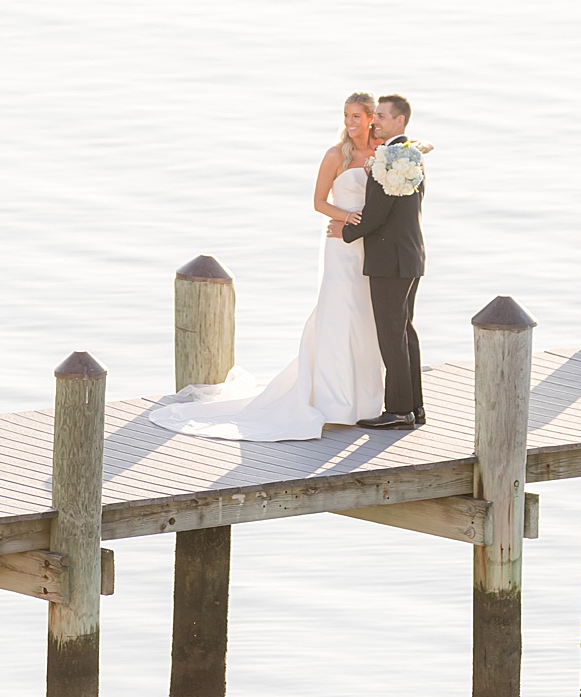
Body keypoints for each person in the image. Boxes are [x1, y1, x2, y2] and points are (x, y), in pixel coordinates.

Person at [148, 93, 388, 441]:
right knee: (340, 311)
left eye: (357, 117)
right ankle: (335, 401)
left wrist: (361, 226)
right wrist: (346, 217)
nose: (350, 123)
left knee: (365, 314)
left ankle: (366, 400)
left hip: (369, 246)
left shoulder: (382, 153)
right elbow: (319, 202)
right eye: (346, 116)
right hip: (340, 245)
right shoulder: (336, 155)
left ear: (371, 119)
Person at [346, 94, 428, 430]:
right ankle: (415, 407)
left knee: (392, 334)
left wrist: (346, 231)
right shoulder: (410, 153)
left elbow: (378, 214)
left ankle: (397, 411)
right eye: (375, 114)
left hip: (390, 261)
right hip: (410, 255)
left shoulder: (393, 159)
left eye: (381, 115)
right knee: (405, 331)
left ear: (400, 121)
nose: (375, 121)